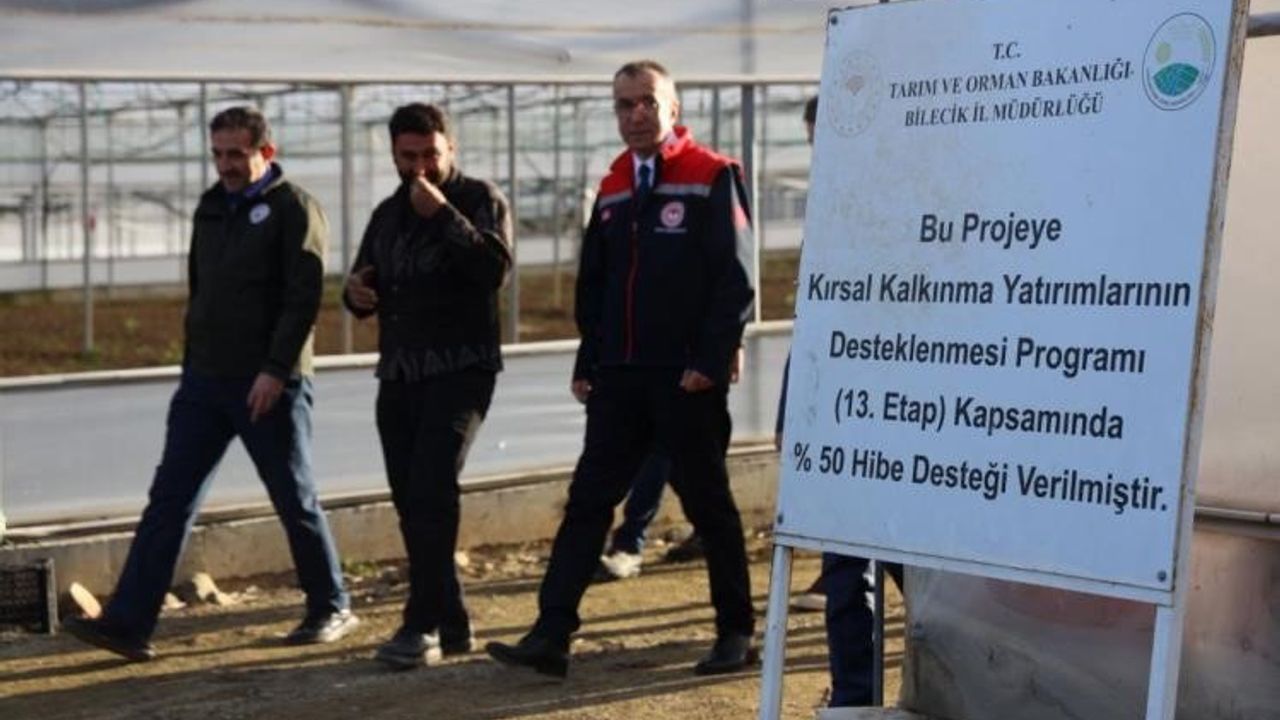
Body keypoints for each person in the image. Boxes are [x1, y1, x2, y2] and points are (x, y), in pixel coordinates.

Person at [486, 59, 757, 678]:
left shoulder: (711, 174)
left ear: (673, 108)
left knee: (708, 506)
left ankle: (735, 631)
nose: (635, 115)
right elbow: (597, 282)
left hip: (684, 378)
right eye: (624, 104)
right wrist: (590, 358)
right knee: (587, 502)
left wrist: (710, 360)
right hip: (620, 378)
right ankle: (551, 633)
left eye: (647, 102)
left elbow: (736, 279)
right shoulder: (613, 184)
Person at [64, 106, 355, 661]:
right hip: (205, 382)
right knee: (169, 499)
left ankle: (331, 603)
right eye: (217, 154)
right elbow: (202, 290)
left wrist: (275, 370)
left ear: (265, 152)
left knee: (293, 496)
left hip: (268, 383)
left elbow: (302, 298)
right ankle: (128, 623)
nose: (225, 165)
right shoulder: (211, 206)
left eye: (236, 154)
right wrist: (192, 365)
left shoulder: (294, 208)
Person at [344, 103, 512, 670]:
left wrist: (443, 215)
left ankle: (421, 624)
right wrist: (355, 294)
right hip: (400, 371)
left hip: (462, 368)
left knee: (432, 486)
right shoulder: (387, 214)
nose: (420, 167)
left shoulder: (478, 199)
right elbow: (363, 280)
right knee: (409, 498)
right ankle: (453, 618)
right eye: (408, 156)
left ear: (450, 148)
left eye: (430, 155)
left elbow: (494, 270)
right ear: (394, 154)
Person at [789, 95, 905, 707]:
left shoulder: (915, 194)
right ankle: (854, 694)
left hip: (905, 412)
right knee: (843, 563)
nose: (822, 150)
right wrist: (793, 407)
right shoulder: (829, 207)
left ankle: (961, 665)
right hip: (841, 413)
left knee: (916, 563)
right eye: (815, 139)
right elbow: (812, 315)